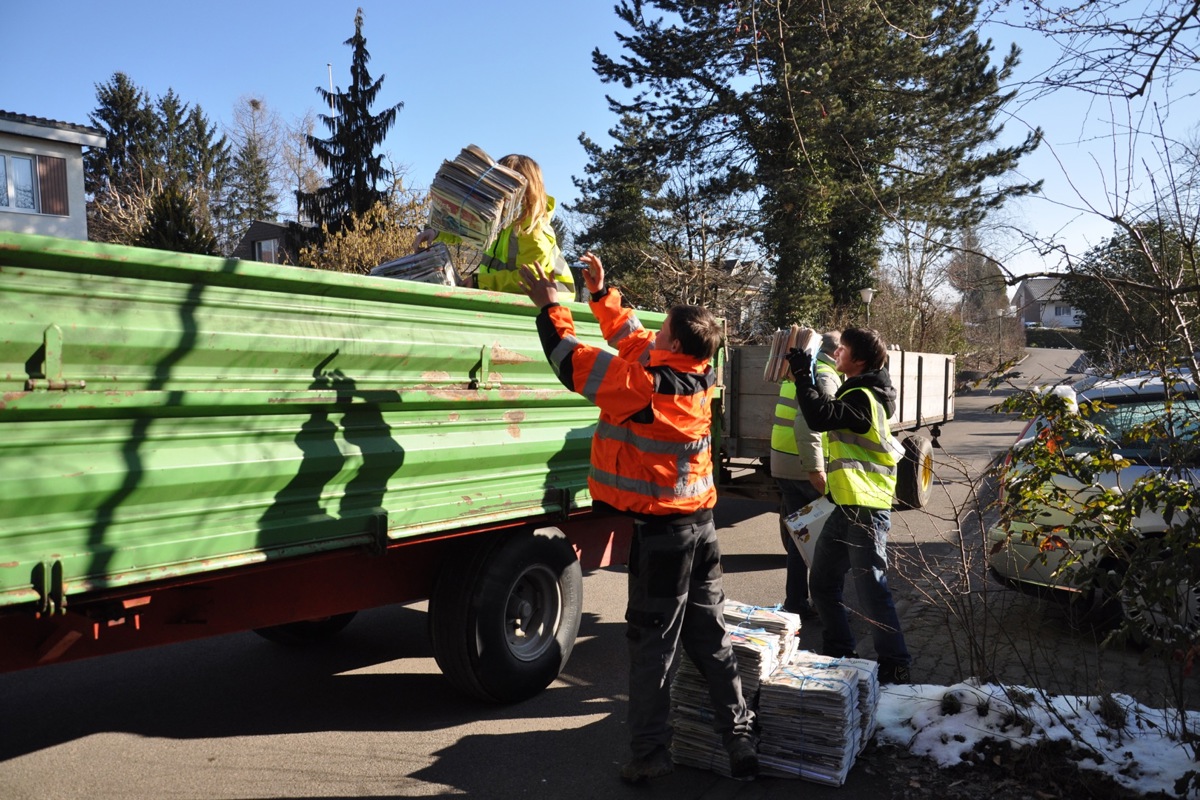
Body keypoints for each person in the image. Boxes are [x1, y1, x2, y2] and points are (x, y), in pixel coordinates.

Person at [519, 252, 758, 784]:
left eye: (662, 330)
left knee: (653, 647)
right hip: (703, 527)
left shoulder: (642, 387)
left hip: (665, 538)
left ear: (673, 346)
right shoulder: (699, 374)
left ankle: (651, 754)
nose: (653, 334)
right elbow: (634, 339)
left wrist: (551, 305)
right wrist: (602, 295)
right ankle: (740, 737)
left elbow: (570, 360)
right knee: (711, 637)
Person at [786, 328, 913, 685]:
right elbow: (825, 412)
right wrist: (806, 378)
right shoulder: (861, 389)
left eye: (843, 349)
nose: (837, 352)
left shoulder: (863, 395)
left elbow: (820, 416)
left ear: (858, 360)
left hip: (866, 509)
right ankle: (839, 652)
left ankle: (896, 665)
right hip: (846, 505)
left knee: (872, 590)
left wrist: (803, 376)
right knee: (823, 583)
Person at [415, 153, 575, 296]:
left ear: (524, 192)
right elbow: (468, 230)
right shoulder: (502, 219)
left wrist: (480, 282)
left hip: (554, 301)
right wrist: (436, 232)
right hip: (511, 295)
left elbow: (529, 278)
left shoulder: (533, 230)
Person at [769, 331, 841, 620]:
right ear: (837, 353)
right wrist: (816, 470)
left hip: (784, 462)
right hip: (805, 469)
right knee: (825, 543)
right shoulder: (824, 375)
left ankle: (796, 602)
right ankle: (828, 607)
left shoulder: (800, 370)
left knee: (800, 540)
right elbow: (809, 424)